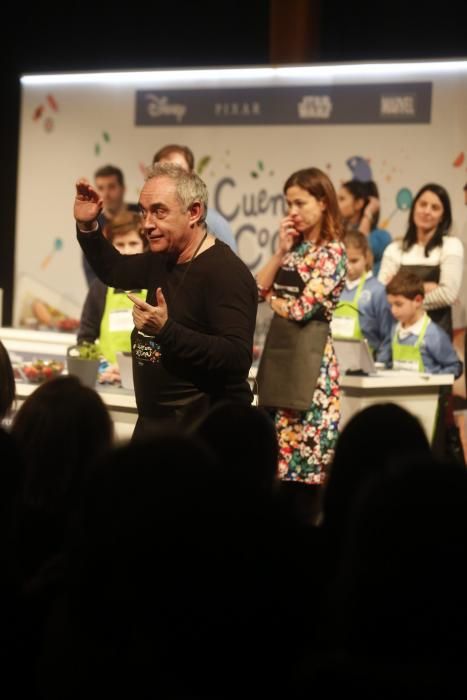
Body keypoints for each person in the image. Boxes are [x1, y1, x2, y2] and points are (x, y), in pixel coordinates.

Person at [74, 163, 257, 437]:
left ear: (193, 212)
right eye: (144, 212)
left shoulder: (227, 273)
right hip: (157, 427)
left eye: (159, 211)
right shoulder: (162, 259)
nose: (147, 224)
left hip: (206, 436)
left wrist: (166, 330)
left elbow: (236, 357)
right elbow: (114, 270)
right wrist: (88, 226)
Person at [256, 167, 346, 485]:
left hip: (312, 367)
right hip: (280, 356)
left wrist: (274, 301)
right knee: (274, 464)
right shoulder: (294, 249)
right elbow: (257, 290)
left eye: (300, 203)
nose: (293, 212)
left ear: (322, 202)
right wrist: (281, 251)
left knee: (306, 465)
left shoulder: (333, 252)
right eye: (288, 204)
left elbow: (300, 309)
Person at [378, 183, 464, 338]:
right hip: (399, 333)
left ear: (443, 216)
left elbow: (447, 294)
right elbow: (382, 291)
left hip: (436, 335)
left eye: (435, 207)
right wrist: (426, 287)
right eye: (422, 204)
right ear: (414, 208)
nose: (427, 211)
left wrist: (402, 298)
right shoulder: (395, 249)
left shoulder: (451, 246)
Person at [78, 211, 147, 368]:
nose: (127, 251)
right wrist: (101, 367)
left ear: (144, 245)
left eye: (133, 243)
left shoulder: (156, 286)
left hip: (145, 380)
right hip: (107, 379)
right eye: (120, 245)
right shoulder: (99, 288)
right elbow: (85, 339)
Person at [152, 144, 238, 252]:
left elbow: (231, 266)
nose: (170, 179)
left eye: (178, 172)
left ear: (191, 175)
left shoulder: (214, 224)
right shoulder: (148, 223)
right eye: (164, 173)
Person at [331, 230, 393, 362]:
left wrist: (381, 364)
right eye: (344, 261)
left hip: (367, 364)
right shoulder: (334, 289)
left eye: (354, 261)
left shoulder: (378, 291)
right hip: (335, 364)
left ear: (367, 257)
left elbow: (388, 335)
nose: (349, 267)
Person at [386, 270, 462, 376]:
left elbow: (455, 368)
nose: (393, 310)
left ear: (417, 300)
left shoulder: (434, 335)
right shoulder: (395, 329)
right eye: (391, 304)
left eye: (398, 304)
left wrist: (431, 378)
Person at [82, 165, 139, 286]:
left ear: (123, 188)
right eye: (101, 188)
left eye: (111, 187)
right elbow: (90, 266)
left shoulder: (143, 214)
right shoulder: (93, 225)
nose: (106, 194)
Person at [337, 179, 391, 275]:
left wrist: (368, 213)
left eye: (341, 199)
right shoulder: (338, 232)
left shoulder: (381, 237)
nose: (336, 204)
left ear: (359, 204)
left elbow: (359, 247)